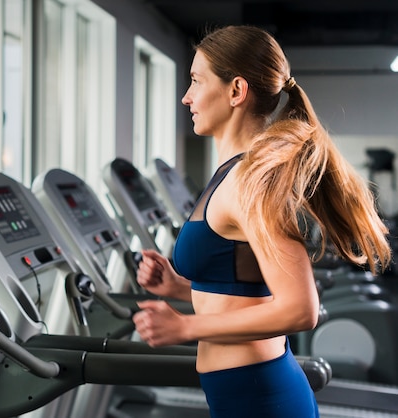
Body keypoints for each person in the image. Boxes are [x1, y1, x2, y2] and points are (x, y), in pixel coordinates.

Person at [132, 25, 392, 418]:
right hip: (243, 392)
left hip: (261, 398)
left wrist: (187, 328)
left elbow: (301, 309)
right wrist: (181, 287)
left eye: (196, 82)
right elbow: (246, 289)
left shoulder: (251, 183)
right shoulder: (233, 174)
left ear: (236, 91)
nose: (186, 98)